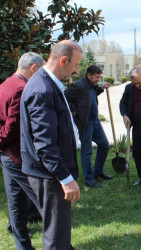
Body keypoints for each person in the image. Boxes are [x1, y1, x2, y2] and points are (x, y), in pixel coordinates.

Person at [20, 40, 82, 249]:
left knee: (58, 231)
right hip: (51, 176)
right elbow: (45, 144)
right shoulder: (43, 89)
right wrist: (65, 179)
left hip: (50, 173)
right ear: (63, 60)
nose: (77, 70)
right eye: (76, 64)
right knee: (56, 236)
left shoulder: (46, 82)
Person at [0, 52, 43, 250]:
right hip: (17, 156)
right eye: (40, 71)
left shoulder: (6, 83)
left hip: (7, 155)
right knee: (43, 201)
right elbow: (12, 127)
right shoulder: (20, 89)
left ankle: (23, 246)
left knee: (16, 202)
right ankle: (59, 244)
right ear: (33, 68)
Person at [65, 65, 112, 188]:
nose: (98, 79)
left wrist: (101, 88)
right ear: (89, 75)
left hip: (95, 121)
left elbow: (90, 97)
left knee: (104, 145)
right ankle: (89, 178)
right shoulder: (79, 85)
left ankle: (98, 172)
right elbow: (65, 96)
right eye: (96, 77)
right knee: (87, 151)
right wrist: (74, 111)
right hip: (85, 123)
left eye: (99, 77)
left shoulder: (91, 85)